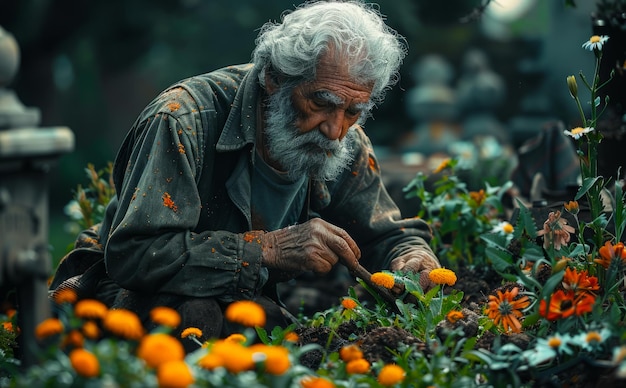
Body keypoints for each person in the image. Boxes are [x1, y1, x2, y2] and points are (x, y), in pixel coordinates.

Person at [50, 0, 441, 350]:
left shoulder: (345, 139)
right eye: (321, 102)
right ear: (273, 78)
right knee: (201, 314)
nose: (335, 130)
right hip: (124, 294)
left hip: (238, 307)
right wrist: (267, 251)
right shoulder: (182, 119)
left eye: (354, 111)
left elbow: (387, 232)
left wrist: (410, 255)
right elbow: (134, 255)